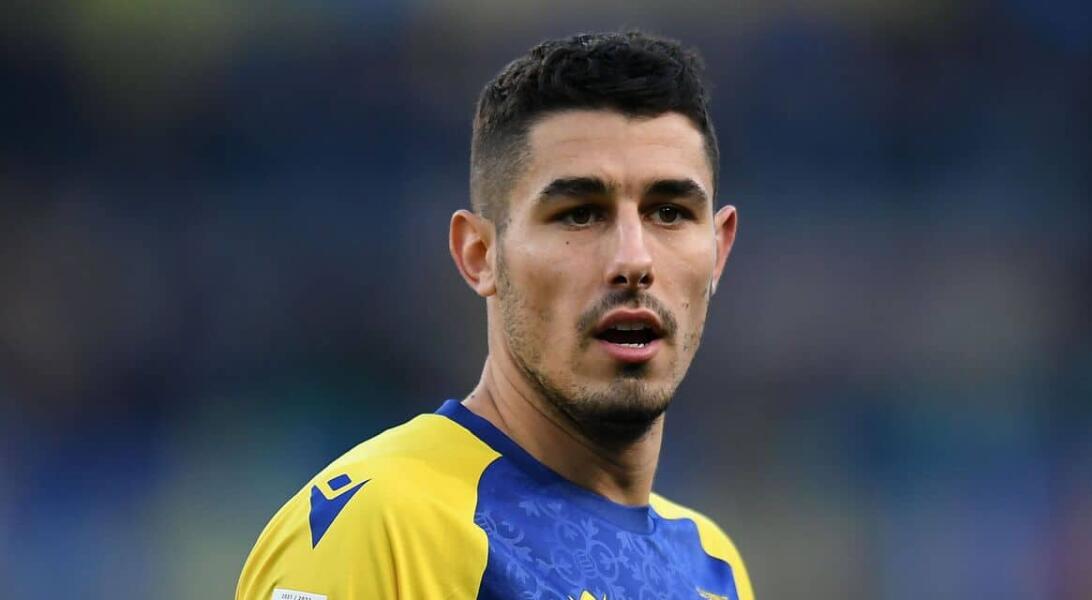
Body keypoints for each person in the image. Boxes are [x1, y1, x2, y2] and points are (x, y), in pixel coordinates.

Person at [236, 30, 750, 600]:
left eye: (670, 212)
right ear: (481, 255)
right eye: (580, 215)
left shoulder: (712, 567)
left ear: (719, 251)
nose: (633, 259)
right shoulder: (379, 527)